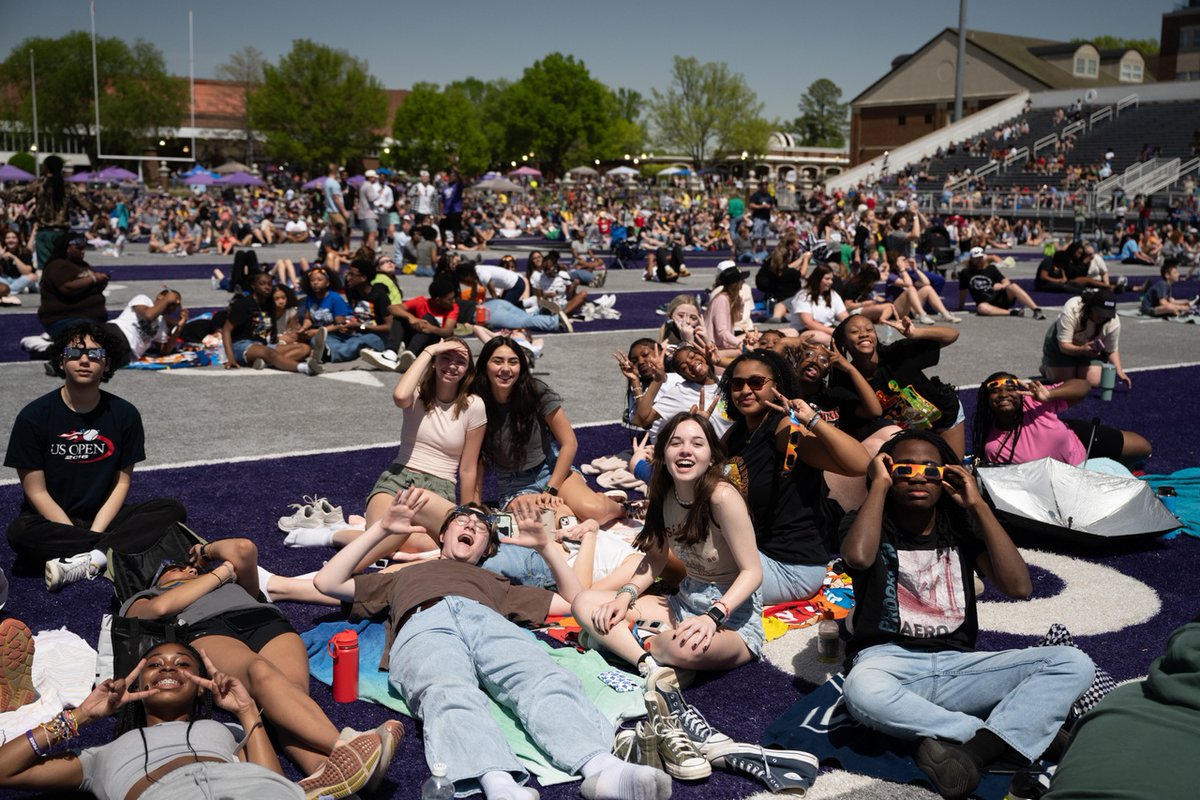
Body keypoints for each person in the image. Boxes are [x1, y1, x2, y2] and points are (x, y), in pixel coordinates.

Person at [313, 490, 672, 800]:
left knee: (540, 677)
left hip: (486, 619)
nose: (470, 525)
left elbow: (573, 601)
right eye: (462, 520)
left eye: (481, 527)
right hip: (424, 622)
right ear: (443, 534)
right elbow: (327, 581)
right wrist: (381, 529)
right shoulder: (402, 575)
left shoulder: (496, 581)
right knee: (446, 690)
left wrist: (547, 548)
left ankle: (602, 767)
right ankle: (498, 782)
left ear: (487, 548)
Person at [838, 431, 1095, 800]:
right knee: (862, 691)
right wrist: (876, 486)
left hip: (959, 666)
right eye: (903, 469)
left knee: (1072, 662)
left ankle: (973, 753)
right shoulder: (863, 521)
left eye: (931, 470)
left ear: (948, 477)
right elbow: (859, 557)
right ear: (886, 473)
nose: (917, 477)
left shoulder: (960, 526)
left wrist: (977, 506)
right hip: (888, 662)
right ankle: (1009, 735)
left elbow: (1019, 587)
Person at [120, 540, 397, 789]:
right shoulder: (144, 598)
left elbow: (244, 548)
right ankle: (345, 748)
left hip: (264, 620)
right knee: (259, 672)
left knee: (288, 700)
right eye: (175, 568)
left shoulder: (231, 584)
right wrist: (222, 573)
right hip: (207, 629)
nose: (189, 570)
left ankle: (322, 774)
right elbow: (160, 610)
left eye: (190, 567)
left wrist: (205, 553)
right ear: (154, 580)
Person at [0, 640, 381, 800]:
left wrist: (248, 711)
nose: (169, 668)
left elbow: (268, 779)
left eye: (183, 664)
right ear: (139, 679)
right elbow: (5, 770)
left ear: (200, 687)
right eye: (155, 664)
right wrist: (80, 715)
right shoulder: (97, 757)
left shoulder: (227, 730)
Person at [572, 413, 764, 674]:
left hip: (732, 617)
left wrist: (713, 617)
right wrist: (624, 596)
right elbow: (656, 558)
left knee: (684, 648)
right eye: (676, 443)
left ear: (712, 458)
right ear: (662, 452)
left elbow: (753, 572)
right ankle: (647, 662)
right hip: (682, 603)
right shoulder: (664, 495)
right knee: (585, 602)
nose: (686, 450)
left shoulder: (722, 497)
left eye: (697, 444)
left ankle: (625, 644)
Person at [4, 322, 187, 590]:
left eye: (95, 354)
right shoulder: (34, 417)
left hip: (103, 516)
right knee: (18, 533)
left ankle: (90, 559)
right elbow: (37, 492)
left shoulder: (125, 415)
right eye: (75, 353)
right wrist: (81, 534)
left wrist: (96, 531)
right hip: (50, 522)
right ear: (61, 359)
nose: (85, 360)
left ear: (107, 363)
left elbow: (122, 483)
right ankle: (110, 551)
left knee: (172, 510)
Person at [718, 350, 869, 603]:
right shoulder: (737, 433)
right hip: (753, 553)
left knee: (690, 563)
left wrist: (812, 420)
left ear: (777, 386)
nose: (745, 390)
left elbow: (860, 464)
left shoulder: (783, 429)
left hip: (790, 566)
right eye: (737, 384)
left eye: (756, 382)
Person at [473, 336, 624, 525]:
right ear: (485, 365)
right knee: (541, 525)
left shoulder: (536, 392)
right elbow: (475, 461)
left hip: (550, 470)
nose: (505, 369)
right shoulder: (476, 402)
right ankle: (568, 509)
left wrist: (551, 489)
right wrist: (473, 508)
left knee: (595, 511)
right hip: (514, 484)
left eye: (513, 362)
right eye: (497, 361)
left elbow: (570, 443)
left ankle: (622, 507)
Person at [831, 314, 965, 459]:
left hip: (942, 416)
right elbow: (872, 413)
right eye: (855, 332)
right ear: (844, 341)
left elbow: (952, 335)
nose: (864, 334)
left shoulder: (896, 354)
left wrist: (915, 333)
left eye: (869, 330)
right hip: (904, 434)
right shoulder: (845, 381)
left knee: (954, 470)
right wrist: (849, 369)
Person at [971, 374, 1151, 467]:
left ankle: (1112, 463)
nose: (1004, 394)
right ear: (986, 402)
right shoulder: (993, 446)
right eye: (995, 390)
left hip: (1077, 440)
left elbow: (1083, 385)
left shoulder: (1033, 400)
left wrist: (1049, 395)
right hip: (1067, 475)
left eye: (1010, 388)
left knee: (1143, 448)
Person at [0, 154, 97, 270]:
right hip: (62, 233)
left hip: (44, 233)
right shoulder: (69, 186)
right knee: (63, 267)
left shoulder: (39, 184)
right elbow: (88, 206)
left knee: (47, 268)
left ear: (46, 168)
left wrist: (3, 193)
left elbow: (20, 198)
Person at [223, 272, 321, 375]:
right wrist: (231, 358)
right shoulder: (243, 304)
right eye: (262, 284)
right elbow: (226, 330)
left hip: (263, 345)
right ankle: (305, 368)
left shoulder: (269, 304)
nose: (267, 287)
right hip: (242, 346)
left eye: (269, 284)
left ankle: (266, 363)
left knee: (304, 349)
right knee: (268, 352)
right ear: (253, 286)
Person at [1041, 288, 1131, 388]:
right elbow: (1063, 346)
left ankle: (1077, 367)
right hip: (1063, 346)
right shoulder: (1072, 309)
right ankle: (1046, 367)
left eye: (1107, 315)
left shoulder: (1113, 322)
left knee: (1092, 381)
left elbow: (1111, 350)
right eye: (1100, 313)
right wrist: (1082, 349)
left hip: (1088, 350)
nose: (1103, 318)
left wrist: (1119, 371)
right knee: (1064, 381)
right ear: (1091, 307)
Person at [37, 235, 109, 338]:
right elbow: (67, 288)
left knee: (116, 338)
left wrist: (101, 282)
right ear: (67, 248)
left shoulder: (82, 265)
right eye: (79, 248)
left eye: (84, 248)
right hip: (65, 318)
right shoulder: (57, 265)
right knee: (89, 344)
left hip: (89, 318)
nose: (83, 251)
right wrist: (93, 279)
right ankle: (50, 348)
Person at [106, 288, 187, 369]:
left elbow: (165, 351)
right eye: (170, 303)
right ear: (160, 297)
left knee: (103, 357)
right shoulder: (143, 300)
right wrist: (167, 299)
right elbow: (148, 316)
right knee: (102, 354)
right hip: (115, 332)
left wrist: (179, 327)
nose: (172, 308)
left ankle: (95, 354)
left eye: (174, 306)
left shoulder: (161, 324)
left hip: (127, 352)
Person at [958, 247, 1045, 319]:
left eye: (980, 258)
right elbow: (963, 290)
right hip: (986, 303)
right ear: (971, 259)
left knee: (1013, 286)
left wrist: (1002, 285)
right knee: (981, 308)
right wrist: (960, 306)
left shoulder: (991, 268)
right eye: (976, 259)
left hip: (999, 297)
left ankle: (1036, 309)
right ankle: (1012, 312)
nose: (979, 261)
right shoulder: (965, 273)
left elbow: (1006, 281)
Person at [789, 264, 848, 346]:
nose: (831, 282)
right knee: (827, 339)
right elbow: (808, 323)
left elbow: (844, 316)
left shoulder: (833, 294)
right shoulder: (803, 296)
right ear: (818, 279)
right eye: (827, 279)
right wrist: (833, 332)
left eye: (831, 279)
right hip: (805, 331)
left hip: (828, 328)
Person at [705, 261, 751, 354]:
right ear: (736, 283)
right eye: (741, 280)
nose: (744, 282)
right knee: (748, 354)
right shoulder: (722, 300)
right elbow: (721, 332)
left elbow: (738, 318)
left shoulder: (729, 298)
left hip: (723, 346)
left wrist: (740, 303)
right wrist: (739, 344)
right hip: (716, 348)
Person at [323, 163, 349, 230]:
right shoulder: (334, 183)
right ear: (336, 171)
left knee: (335, 231)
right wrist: (344, 211)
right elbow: (336, 198)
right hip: (335, 211)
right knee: (342, 230)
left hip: (330, 210)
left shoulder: (327, 182)